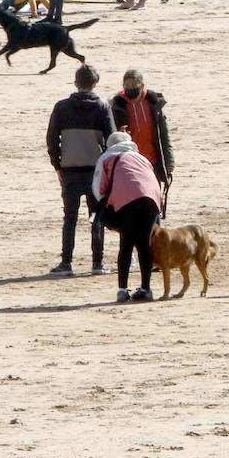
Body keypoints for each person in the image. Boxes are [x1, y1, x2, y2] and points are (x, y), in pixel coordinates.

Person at [46, 64, 114, 275]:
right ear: (95, 83)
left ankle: (66, 263)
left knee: (70, 218)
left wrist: (58, 166)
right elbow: (111, 140)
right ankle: (97, 263)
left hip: (70, 170)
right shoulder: (102, 107)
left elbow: (51, 140)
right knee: (96, 217)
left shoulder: (62, 107)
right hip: (95, 171)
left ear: (75, 83)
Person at [92, 132, 163, 302]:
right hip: (151, 199)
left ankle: (123, 290)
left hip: (126, 200)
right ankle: (146, 289)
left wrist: (105, 206)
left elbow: (98, 188)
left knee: (126, 243)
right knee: (144, 244)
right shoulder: (141, 157)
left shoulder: (107, 157)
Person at [110, 68, 175, 217]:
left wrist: (169, 161)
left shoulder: (154, 105)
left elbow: (164, 136)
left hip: (152, 162)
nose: (131, 89)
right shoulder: (117, 107)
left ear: (142, 86)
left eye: (134, 85)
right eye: (127, 86)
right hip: (130, 164)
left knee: (154, 205)